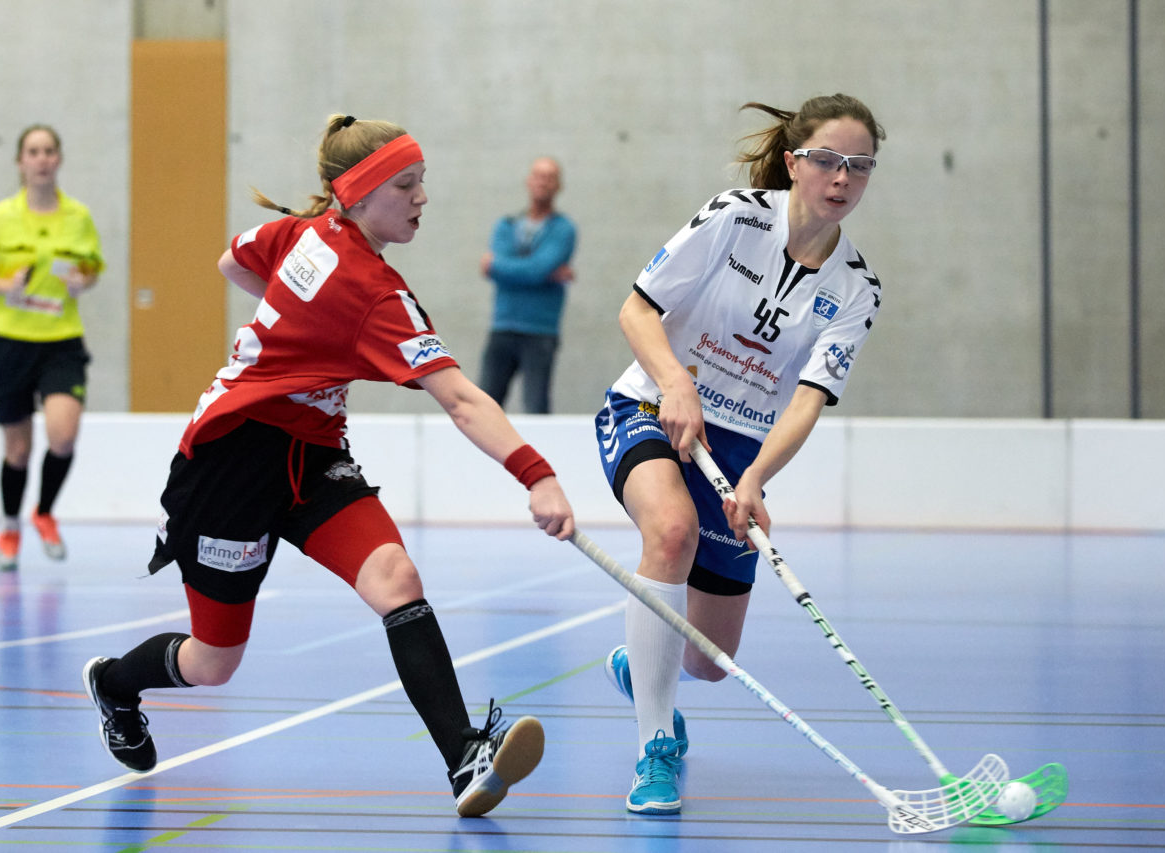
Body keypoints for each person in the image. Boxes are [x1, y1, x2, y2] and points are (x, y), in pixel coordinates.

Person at [80, 115, 575, 818]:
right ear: (360, 192)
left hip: (311, 456)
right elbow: (461, 398)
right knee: (213, 662)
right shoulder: (372, 293)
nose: (422, 197)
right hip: (228, 464)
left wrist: (291, 335)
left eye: (422, 181)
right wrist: (537, 473)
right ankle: (116, 685)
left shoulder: (306, 233)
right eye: (406, 184)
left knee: (395, 577)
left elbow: (233, 261)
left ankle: (464, 755)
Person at [594, 93, 886, 814]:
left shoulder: (857, 287)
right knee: (670, 532)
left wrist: (754, 478)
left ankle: (647, 662)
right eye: (826, 160)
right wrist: (673, 383)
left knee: (710, 660)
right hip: (651, 409)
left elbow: (807, 399)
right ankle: (655, 748)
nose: (841, 179)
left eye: (859, 166)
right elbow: (637, 308)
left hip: (737, 449)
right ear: (793, 162)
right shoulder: (735, 214)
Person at [0, 124, 102, 572]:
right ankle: (11, 525)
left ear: (58, 159)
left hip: (61, 343)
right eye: (33, 151)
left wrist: (81, 281)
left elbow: (91, 270)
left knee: (63, 435)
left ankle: (45, 512)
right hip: (11, 342)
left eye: (49, 151)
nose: (41, 159)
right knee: (16, 449)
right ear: (20, 161)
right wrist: (2, 285)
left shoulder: (78, 217)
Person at [477, 156, 577, 414]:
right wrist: (543, 273)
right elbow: (537, 270)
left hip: (540, 331)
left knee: (536, 407)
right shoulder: (506, 225)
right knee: (484, 406)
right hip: (502, 326)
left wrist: (500, 267)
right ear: (528, 181)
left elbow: (534, 270)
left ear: (558, 186)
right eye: (538, 175)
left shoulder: (563, 229)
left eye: (549, 177)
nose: (542, 182)